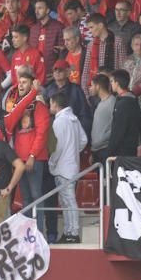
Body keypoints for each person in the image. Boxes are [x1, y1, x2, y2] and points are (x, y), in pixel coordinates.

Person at [48, 93, 88, 243]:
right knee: (67, 200)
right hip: (73, 164)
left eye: (50, 103)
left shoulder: (59, 122)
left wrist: (52, 162)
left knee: (68, 200)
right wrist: (73, 151)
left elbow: (56, 147)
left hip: (62, 167)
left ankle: (73, 233)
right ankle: (69, 231)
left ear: (54, 103)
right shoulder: (74, 119)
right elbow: (84, 140)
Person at [108, 69, 141, 157]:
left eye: (112, 81)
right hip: (131, 147)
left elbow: (118, 129)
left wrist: (110, 150)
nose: (111, 84)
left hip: (123, 150)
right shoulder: (133, 99)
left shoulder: (124, 103)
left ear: (117, 83)